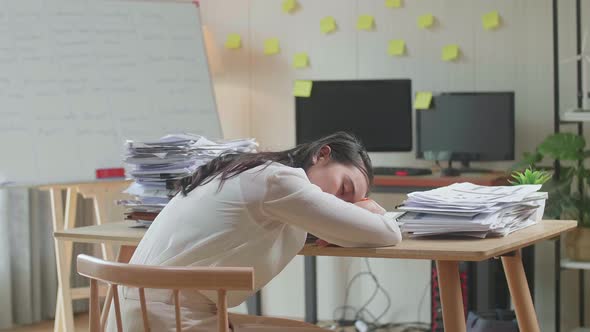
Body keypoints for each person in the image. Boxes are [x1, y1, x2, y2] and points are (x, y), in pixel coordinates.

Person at [109, 132, 402, 331]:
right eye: (344, 189)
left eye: (350, 203)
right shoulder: (280, 181)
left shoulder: (255, 171)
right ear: (322, 155)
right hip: (169, 319)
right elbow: (389, 233)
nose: (340, 204)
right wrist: (371, 210)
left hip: (134, 315)